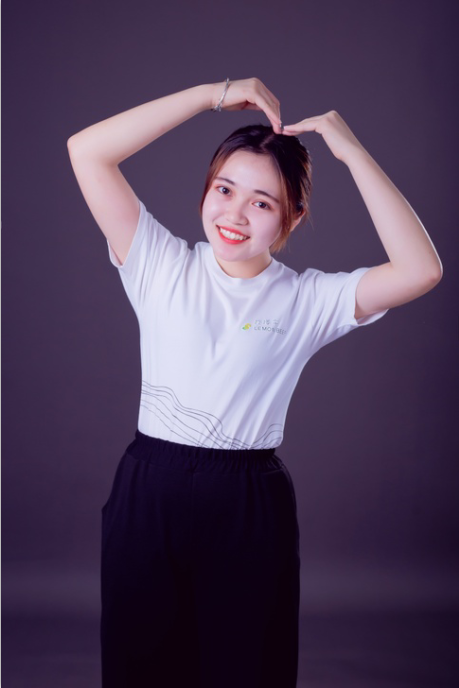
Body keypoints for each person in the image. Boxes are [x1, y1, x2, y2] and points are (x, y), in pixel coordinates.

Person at [67, 77, 443, 688]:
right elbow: (87, 150)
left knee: (249, 669)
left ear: (292, 216)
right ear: (206, 190)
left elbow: (421, 269)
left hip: (248, 503)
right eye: (224, 189)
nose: (234, 215)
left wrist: (351, 153)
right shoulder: (158, 262)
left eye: (262, 203)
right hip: (149, 491)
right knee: (139, 669)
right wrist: (209, 95)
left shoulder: (308, 299)